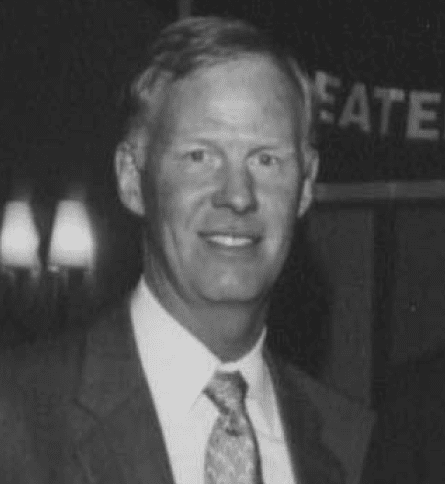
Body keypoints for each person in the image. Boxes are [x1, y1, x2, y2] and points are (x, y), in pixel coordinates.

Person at [0, 16, 375, 484]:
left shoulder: (356, 445)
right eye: (200, 156)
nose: (238, 195)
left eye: (266, 160)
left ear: (306, 186)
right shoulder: (17, 419)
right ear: (132, 180)